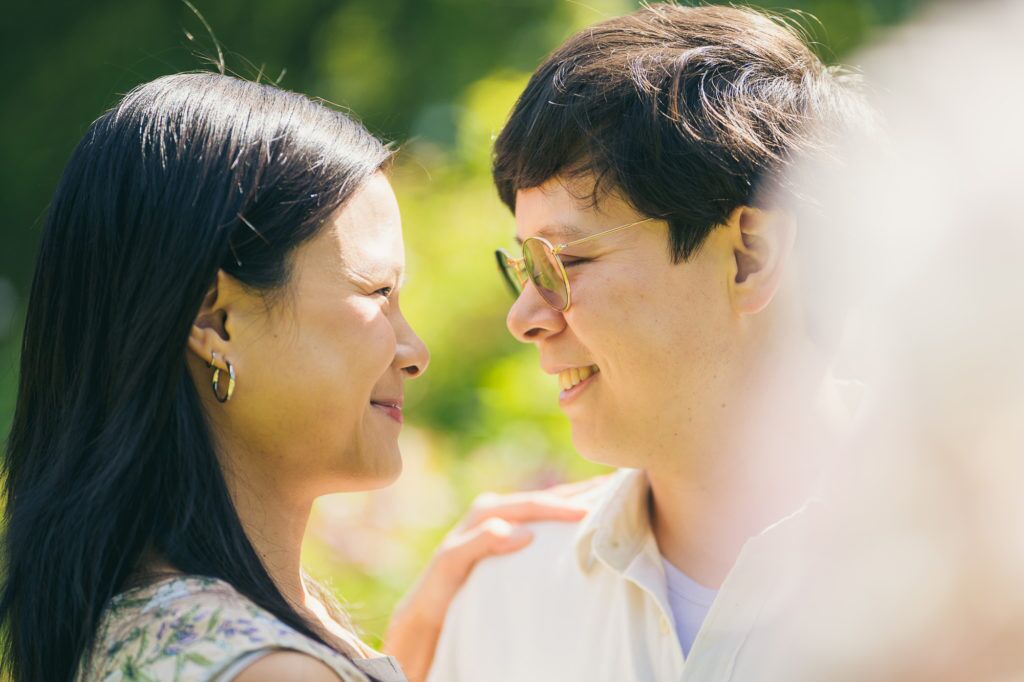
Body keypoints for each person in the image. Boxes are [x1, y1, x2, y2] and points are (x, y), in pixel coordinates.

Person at [0, 72, 589, 682]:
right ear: (217, 320)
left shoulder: (156, 623)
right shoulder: (266, 667)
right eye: (377, 292)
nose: (414, 351)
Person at [428, 4, 871, 680]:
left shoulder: (977, 584)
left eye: (564, 263)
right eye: (523, 267)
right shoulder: (506, 596)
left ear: (749, 256)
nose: (524, 317)